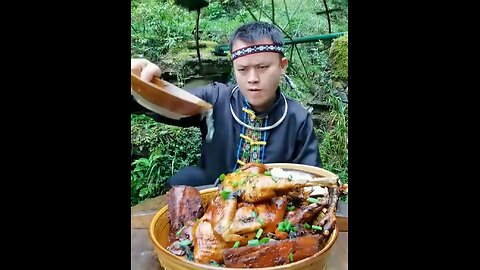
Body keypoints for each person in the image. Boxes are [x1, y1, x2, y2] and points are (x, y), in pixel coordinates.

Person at [131, 21, 321, 188]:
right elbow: (167, 104)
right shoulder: (215, 98)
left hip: (272, 211)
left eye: (263, 67)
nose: (253, 79)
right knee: (185, 178)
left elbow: (311, 181)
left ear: (282, 65)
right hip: (214, 204)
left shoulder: (298, 118)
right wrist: (141, 86)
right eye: (242, 69)